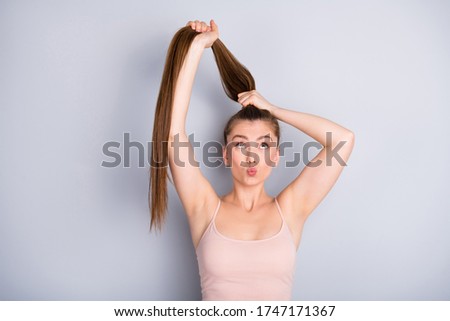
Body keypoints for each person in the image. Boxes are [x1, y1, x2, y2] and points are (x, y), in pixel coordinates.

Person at [149, 19, 355, 300]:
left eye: (264, 144)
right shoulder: (205, 208)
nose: (251, 155)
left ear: (276, 155)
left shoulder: (291, 208)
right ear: (225, 154)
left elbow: (343, 140)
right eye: (240, 144)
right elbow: (173, 133)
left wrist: (273, 109)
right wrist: (198, 47)